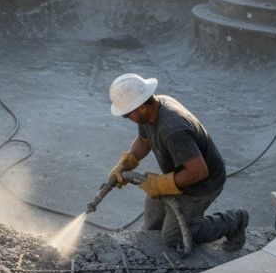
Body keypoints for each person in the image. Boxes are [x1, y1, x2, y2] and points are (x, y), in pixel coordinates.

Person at [107, 73, 249, 251]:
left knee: (173, 238)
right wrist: (127, 162)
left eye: (127, 115)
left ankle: (234, 221)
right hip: (181, 174)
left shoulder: (173, 129)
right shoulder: (152, 107)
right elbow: (144, 140)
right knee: (153, 222)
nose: (126, 118)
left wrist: (159, 185)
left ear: (141, 107)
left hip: (201, 185)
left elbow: (198, 171)